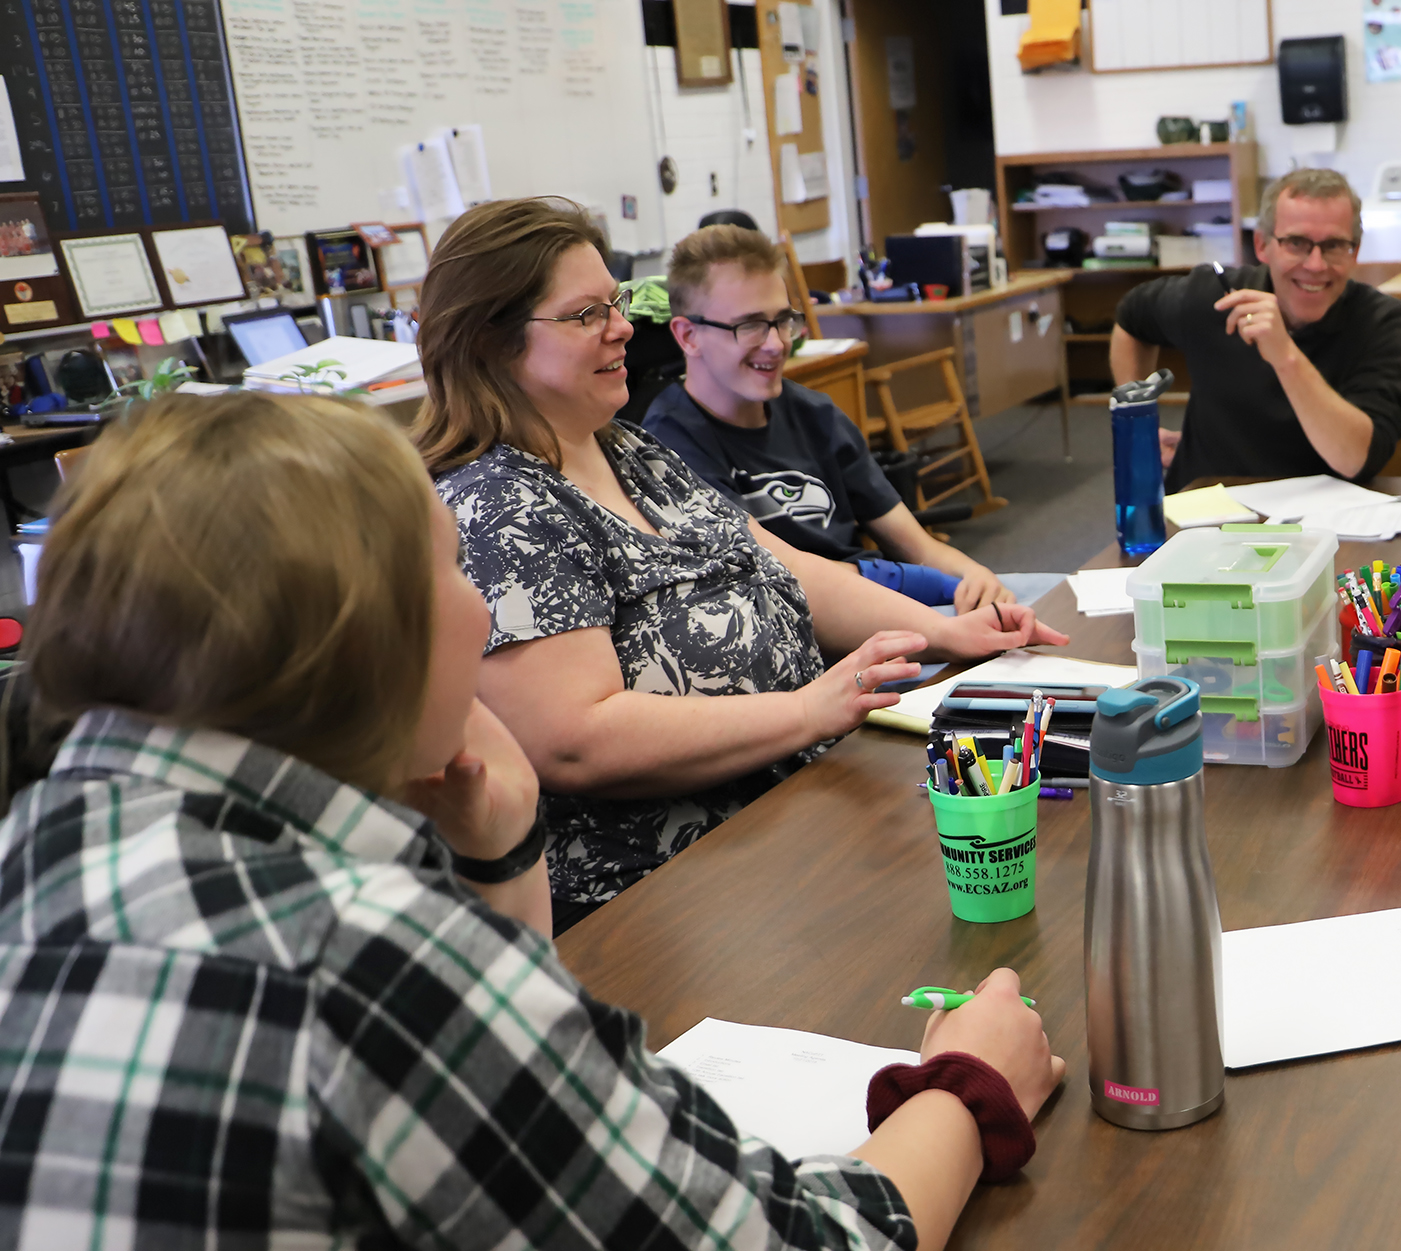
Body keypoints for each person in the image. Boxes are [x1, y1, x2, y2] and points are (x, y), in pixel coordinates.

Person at [0, 392, 1064, 1249]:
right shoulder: (362, 957)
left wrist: (504, 851)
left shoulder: (38, 847)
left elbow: (498, 1126)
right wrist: (967, 1092)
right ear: (360, 638)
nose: (482, 615)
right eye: (454, 575)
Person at [414, 198, 1068, 930]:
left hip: (796, 806)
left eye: (617, 302)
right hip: (671, 892)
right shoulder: (499, 505)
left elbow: (784, 564)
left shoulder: (629, 449)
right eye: (585, 314)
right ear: (493, 343)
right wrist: (804, 710)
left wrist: (944, 632)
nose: (625, 326)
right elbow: (575, 740)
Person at [642, 224, 1032, 612]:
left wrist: (973, 577)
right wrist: (923, 598)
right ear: (688, 336)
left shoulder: (815, 415)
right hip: (790, 631)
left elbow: (915, 545)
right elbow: (777, 575)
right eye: (750, 326)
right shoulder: (670, 445)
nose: (777, 344)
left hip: (873, 608)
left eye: (783, 321)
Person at [1110, 168, 1401, 493]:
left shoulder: (1378, 320)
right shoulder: (1215, 298)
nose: (1315, 265)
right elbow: (1132, 317)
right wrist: (1138, 426)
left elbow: (1355, 458)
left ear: (1355, 251)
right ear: (1262, 245)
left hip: (1320, 521)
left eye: (1334, 245)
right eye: (1296, 243)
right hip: (1206, 516)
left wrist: (1285, 355)